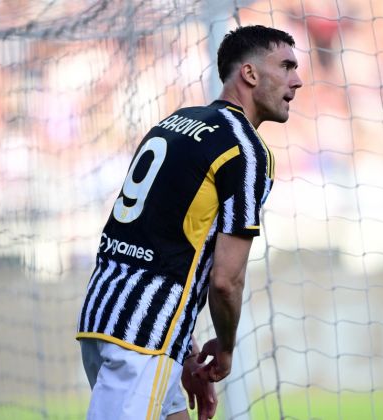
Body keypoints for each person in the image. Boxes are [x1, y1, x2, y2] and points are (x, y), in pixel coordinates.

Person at [76, 24, 303, 420]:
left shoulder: (176, 123)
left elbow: (163, 244)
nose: (296, 81)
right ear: (249, 74)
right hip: (143, 341)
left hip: (105, 318)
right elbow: (225, 279)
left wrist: (185, 351)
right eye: (286, 66)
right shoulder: (245, 150)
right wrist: (226, 349)